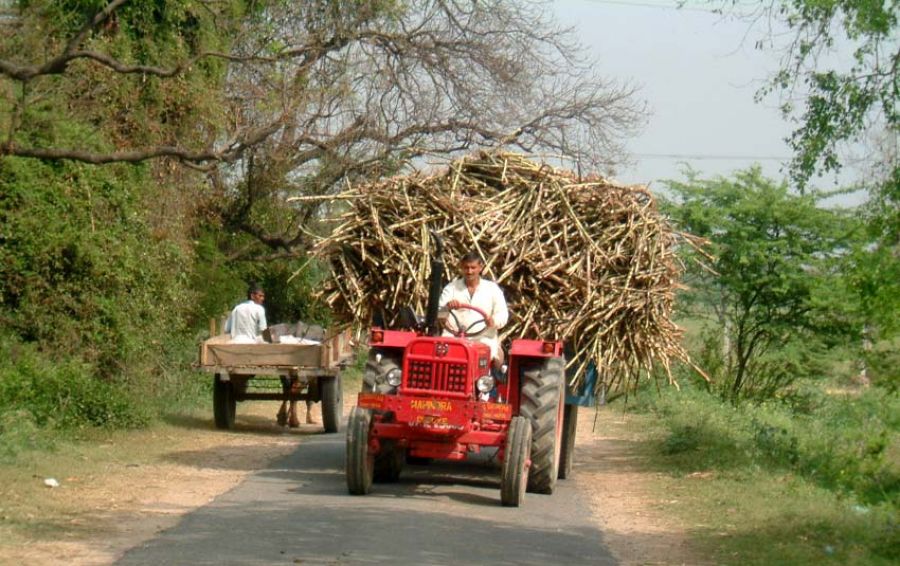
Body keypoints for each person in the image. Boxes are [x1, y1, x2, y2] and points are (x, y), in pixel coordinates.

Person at [438, 252, 509, 371]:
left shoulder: (492, 289)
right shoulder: (451, 289)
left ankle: (486, 384)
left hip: (483, 337)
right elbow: (439, 313)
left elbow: (502, 314)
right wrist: (447, 307)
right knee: (438, 353)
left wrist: (492, 321)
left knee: (488, 355)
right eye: (466, 268)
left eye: (473, 268)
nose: (469, 271)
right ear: (461, 267)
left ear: (480, 268)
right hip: (453, 337)